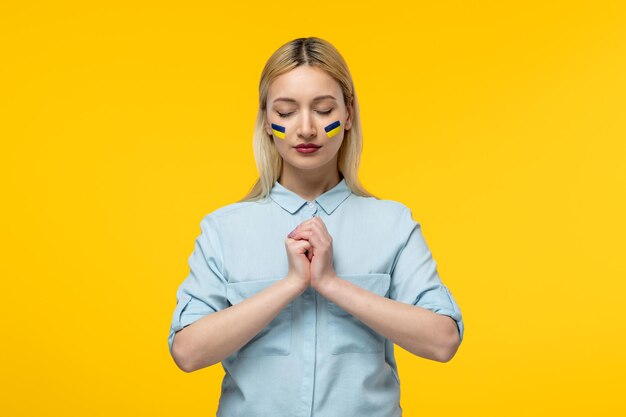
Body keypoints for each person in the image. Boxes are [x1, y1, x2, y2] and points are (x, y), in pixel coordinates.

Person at [168, 37, 464, 417]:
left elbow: (442, 342)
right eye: (286, 111)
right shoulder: (223, 230)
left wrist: (331, 283)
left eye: (323, 109)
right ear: (265, 119)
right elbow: (187, 352)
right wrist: (291, 284)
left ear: (349, 113)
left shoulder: (393, 224)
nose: (306, 129)